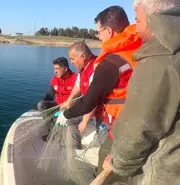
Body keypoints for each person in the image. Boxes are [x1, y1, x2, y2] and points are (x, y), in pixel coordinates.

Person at [55, 5, 142, 183]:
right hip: (141, 119)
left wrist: (66, 114)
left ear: (108, 31)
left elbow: (89, 101)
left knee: (106, 161)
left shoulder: (111, 63)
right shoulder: (141, 50)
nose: (98, 36)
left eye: (98, 32)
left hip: (124, 125)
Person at [102, 2, 180, 185]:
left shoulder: (160, 58)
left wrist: (118, 161)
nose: (136, 28)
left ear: (154, 18)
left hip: (167, 172)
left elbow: (140, 126)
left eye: (138, 20)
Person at [60, 41, 100, 134]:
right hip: (88, 109)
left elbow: (94, 98)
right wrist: (69, 100)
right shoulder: (83, 67)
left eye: (72, 59)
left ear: (83, 56)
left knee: (71, 126)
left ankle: (77, 147)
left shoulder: (96, 68)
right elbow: (78, 84)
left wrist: (84, 121)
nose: (71, 62)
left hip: (99, 113)